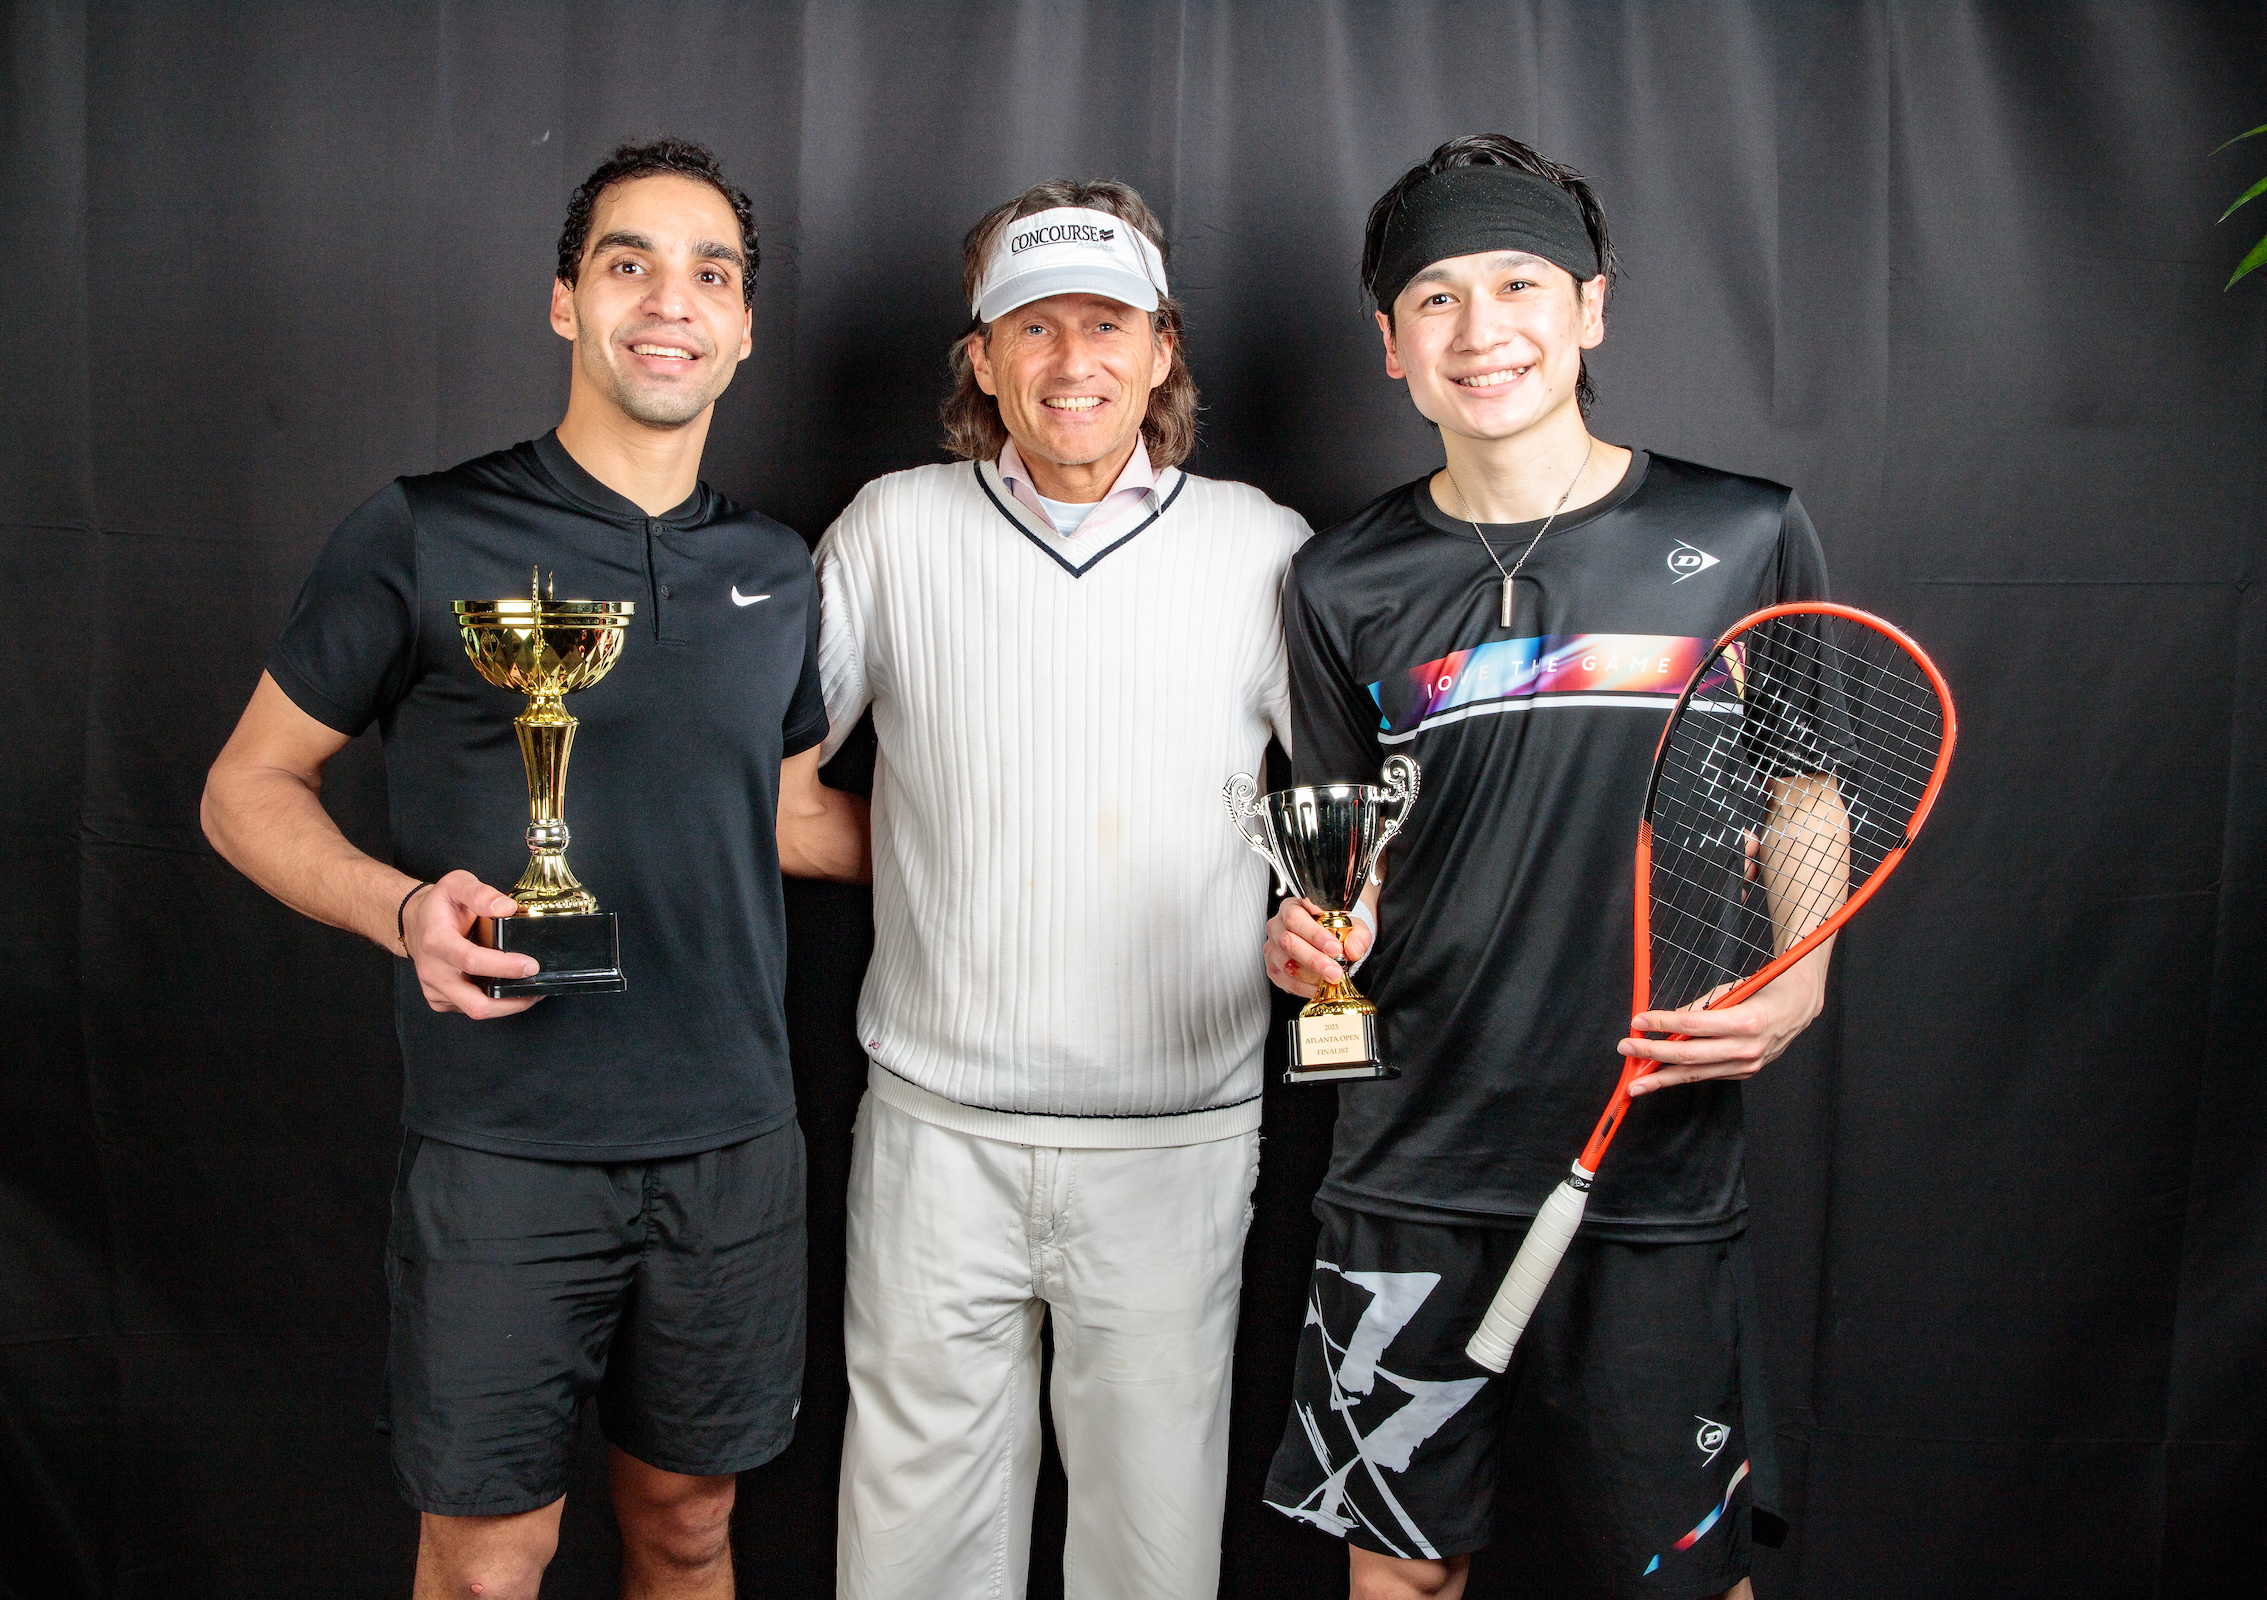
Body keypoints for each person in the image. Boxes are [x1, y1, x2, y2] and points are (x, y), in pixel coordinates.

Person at [200, 137, 866, 1600]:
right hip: (506, 1146)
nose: (669, 301)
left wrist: (1034, 843)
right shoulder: (427, 529)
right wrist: (398, 908)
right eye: (628, 263)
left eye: (711, 273)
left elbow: (788, 814)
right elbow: (243, 790)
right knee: (493, 1560)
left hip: (733, 1142)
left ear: (746, 325)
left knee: (690, 1527)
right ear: (565, 300)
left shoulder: (775, 567)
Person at [1258, 134, 1831, 1600]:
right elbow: (1341, 846)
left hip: (1648, 1159)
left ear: (1591, 308)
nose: (1480, 328)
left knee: (1681, 1583)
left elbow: (1809, 783)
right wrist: (1310, 933)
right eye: (1434, 299)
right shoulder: (1340, 579)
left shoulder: (1742, 530)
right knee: (1401, 1578)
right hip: (1412, 1159)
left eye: (1518, 283)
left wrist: (1802, 975)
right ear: (1390, 345)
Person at [811, 179, 1307, 1600]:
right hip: (932, 1137)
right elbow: (775, 790)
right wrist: (950, 850)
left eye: (1107, 325)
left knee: (1151, 1560)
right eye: (1034, 327)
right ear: (981, 357)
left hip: (1176, 1142)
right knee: (906, 1554)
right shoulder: (892, 529)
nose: (1072, 362)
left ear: (1163, 350)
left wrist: (1326, 916)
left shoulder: (1259, 548)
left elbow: (1348, 823)